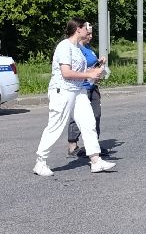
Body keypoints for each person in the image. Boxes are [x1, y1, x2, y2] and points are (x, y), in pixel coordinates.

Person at [33, 18, 116, 176]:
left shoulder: (78, 48)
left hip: (78, 91)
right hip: (62, 90)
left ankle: (96, 161)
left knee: (88, 123)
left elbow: (81, 72)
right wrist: (88, 74)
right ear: (78, 29)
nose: (88, 31)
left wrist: (95, 72)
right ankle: (40, 162)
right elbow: (66, 72)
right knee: (55, 126)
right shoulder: (64, 46)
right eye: (86, 28)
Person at [66, 21, 107, 158]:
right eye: (88, 33)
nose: (90, 36)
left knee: (96, 115)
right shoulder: (75, 48)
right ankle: (73, 146)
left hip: (92, 85)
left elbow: (91, 65)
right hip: (81, 86)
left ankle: (94, 145)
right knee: (78, 117)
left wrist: (99, 65)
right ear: (80, 32)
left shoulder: (89, 48)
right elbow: (76, 68)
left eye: (91, 34)